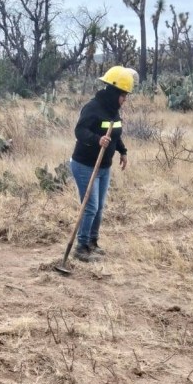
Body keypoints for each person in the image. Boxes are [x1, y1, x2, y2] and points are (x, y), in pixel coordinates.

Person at [69, 66, 135, 262]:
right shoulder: (92, 108)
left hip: (104, 166)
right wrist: (97, 139)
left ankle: (92, 243)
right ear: (114, 92)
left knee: (99, 207)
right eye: (123, 95)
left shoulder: (113, 111)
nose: (125, 100)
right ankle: (81, 248)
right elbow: (80, 131)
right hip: (85, 165)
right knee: (90, 206)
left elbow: (115, 134)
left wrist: (122, 151)